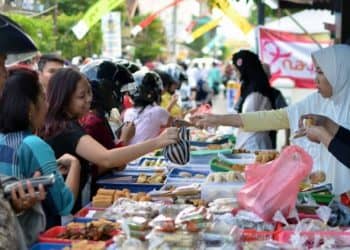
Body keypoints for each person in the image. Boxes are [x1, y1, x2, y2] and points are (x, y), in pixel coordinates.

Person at [191, 44, 350, 194]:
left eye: (321, 72)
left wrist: (323, 134)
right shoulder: (318, 100)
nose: (315, 79)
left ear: (338, 73)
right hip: (324, 192)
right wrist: (217, 120)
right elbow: (274, 118)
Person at [40, 68, 179, 209]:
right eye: (81, 96)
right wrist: (158, 142)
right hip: (65, 210)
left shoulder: (69, 124)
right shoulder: (67, 129)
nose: (89, 99)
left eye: (89, 92)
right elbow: (107, 159)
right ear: (64, 98)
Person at [0, 69, 79, 243]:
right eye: (43, 98)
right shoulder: (34, 145)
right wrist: (75, 165)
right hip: (28, 239)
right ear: (30, 107)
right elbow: (64, 204)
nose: (48, 104)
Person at [232, 50, 275, 150]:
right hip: (250, 142)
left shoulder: (256, 92)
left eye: (236, 70)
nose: (236, 74)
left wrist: (217, 120)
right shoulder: (249, 87)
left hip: (255, 145)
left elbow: (247, 120)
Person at [123, 70, 173, 145]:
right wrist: (193, 125)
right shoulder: (158, 111)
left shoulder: (128, 112)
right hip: (147, 153)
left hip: (130, 153)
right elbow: (175, 123)